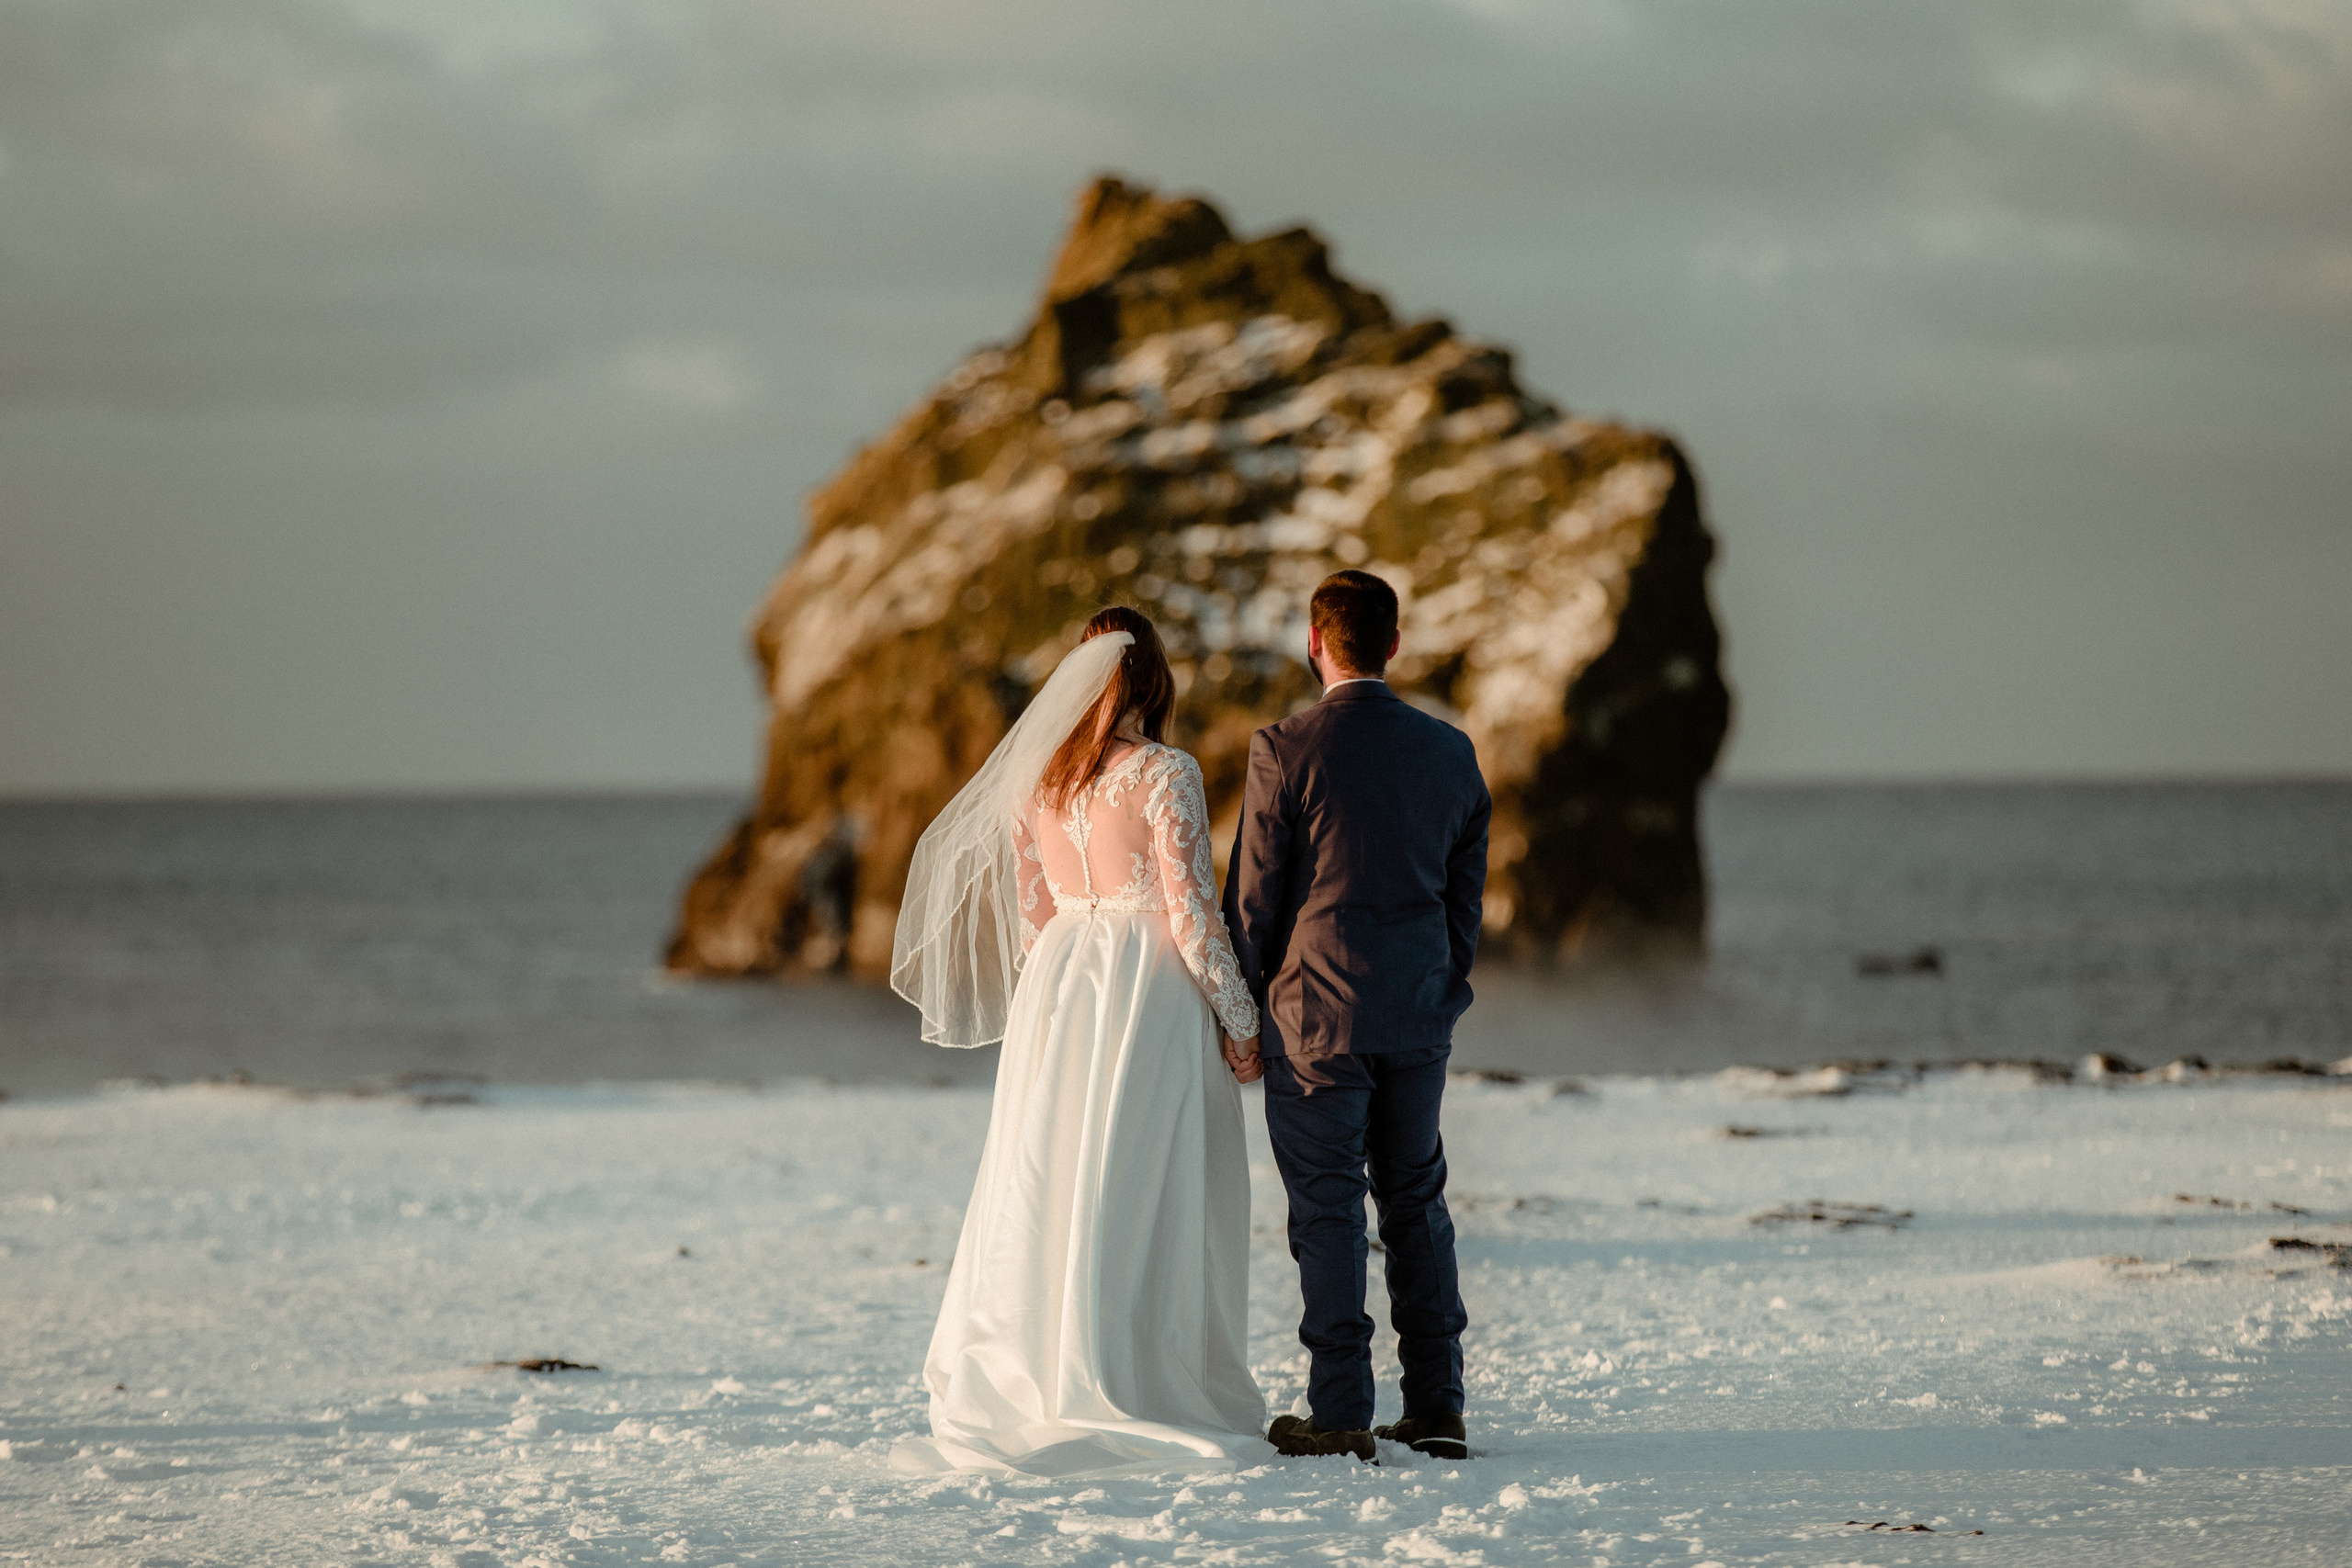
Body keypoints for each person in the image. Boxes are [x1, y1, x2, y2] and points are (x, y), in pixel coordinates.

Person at [888, 606, 1272, 1477]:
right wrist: (1240, 1022)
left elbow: (1034, 914)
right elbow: (1190, 912)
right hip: (1146, 990)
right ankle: (1135, 1374)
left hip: (1062, 988)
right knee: (1142, 1176)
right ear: (1153, 677)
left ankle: (1044, 1364)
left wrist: (1054, 1002)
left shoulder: (1039, 785)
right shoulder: (1167, 772)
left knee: (1057, 1175)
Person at [1220, 569, 1490, 1462]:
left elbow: (1255, 903)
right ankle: (1437, 1404)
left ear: (1313, 642)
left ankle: (1339, 1410)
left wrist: (1240, 1011)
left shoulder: (1284, 747)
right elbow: (1463, 897)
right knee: (1415, 1199)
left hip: (1313, 1020)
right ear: (1394, 645)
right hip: (1417, 1013)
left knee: (1328, 1211)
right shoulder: (1449, 750)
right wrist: (1443, 983)